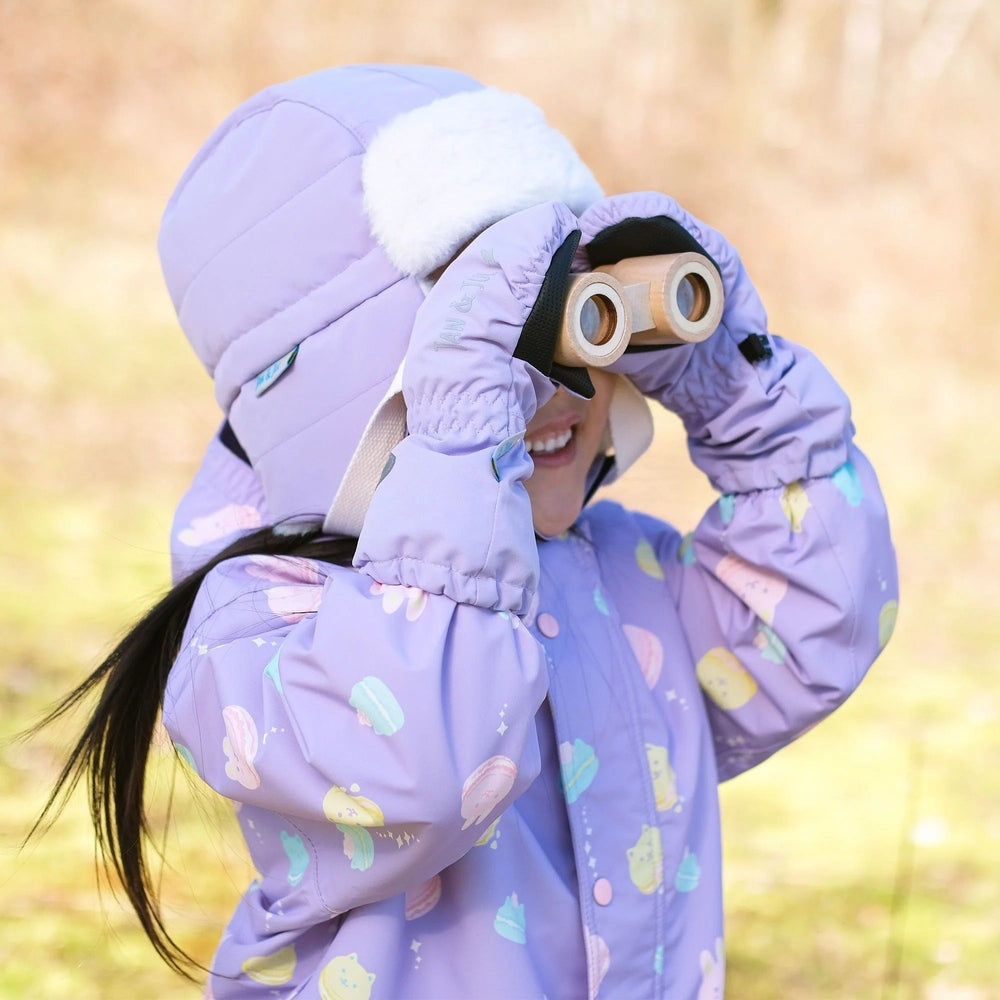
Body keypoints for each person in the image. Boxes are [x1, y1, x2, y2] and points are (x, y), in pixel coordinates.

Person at [36, 64, 898, 999]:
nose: (564, 383)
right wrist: (463, 418)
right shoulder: (260, 623)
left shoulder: (620, 571)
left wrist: (734, 380)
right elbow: (423, 769)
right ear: (359, 398)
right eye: (489, 356)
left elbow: (810, 627)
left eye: (586, 319)